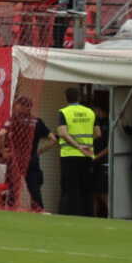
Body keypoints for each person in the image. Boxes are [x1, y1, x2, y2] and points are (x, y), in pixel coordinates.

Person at [53, 87, 100, 217]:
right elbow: (97, 133)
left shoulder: (64, 112)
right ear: (79, 97)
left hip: (69, 155)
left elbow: (62, 133)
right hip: (87, 155)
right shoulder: (90, 112)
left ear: (66, 98)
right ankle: (88, 215)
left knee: (70, 188)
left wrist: (77, 146)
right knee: (86, 188)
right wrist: (85, 144)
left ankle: (68, 214)